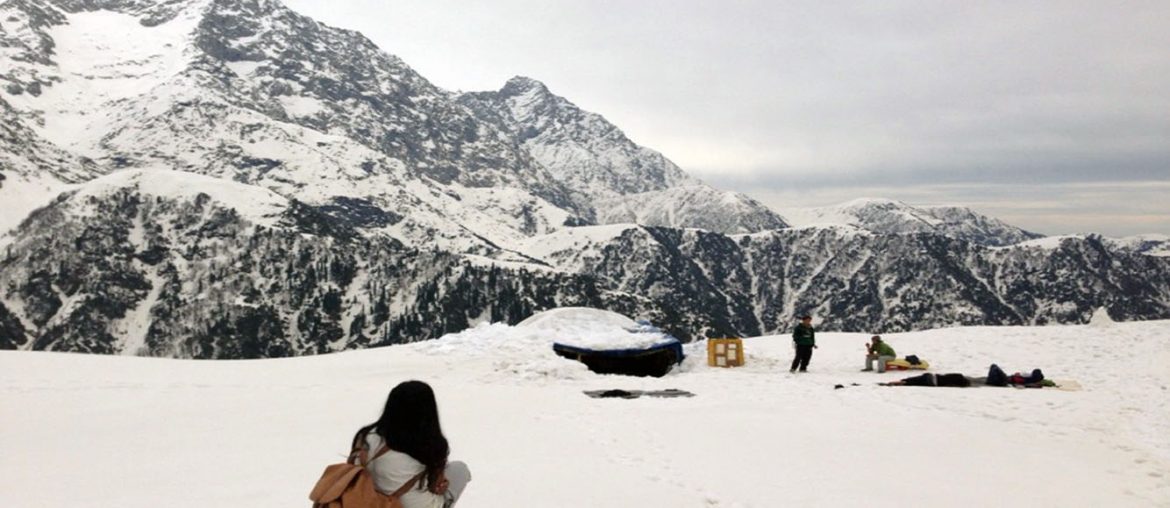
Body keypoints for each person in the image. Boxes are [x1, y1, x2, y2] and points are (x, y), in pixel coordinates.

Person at [352, 380, 472, 508]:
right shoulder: (425, 447)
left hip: (363, 500)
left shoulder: (365, 436)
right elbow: (436, 486)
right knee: (460, 469)